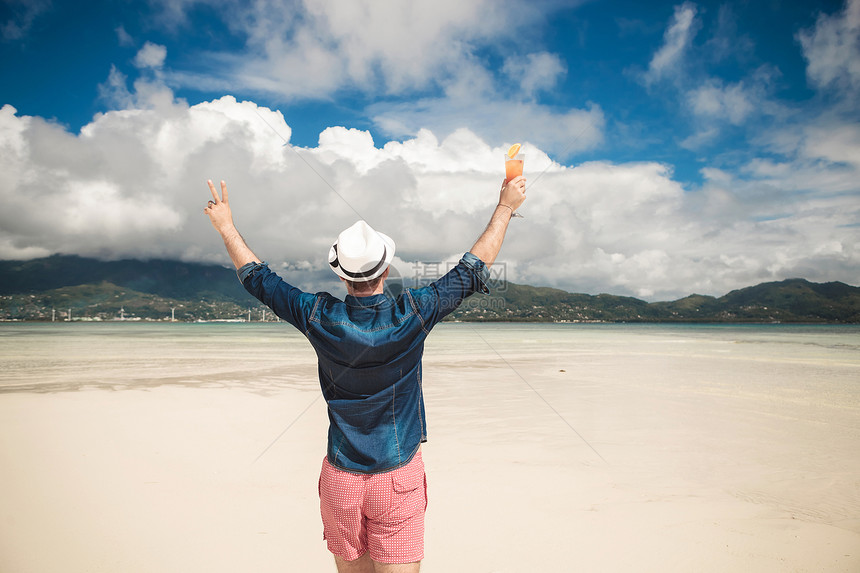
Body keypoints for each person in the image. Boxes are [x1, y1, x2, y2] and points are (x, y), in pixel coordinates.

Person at [204, 174, 526, 573]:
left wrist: (226, 226)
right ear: (386, 268)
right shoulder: (414, 312)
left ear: (341, 274)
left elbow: (259, 280)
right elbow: (473, 268)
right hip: (397, 474)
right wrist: (506, 207)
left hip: (341, 477)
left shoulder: (317, 315)